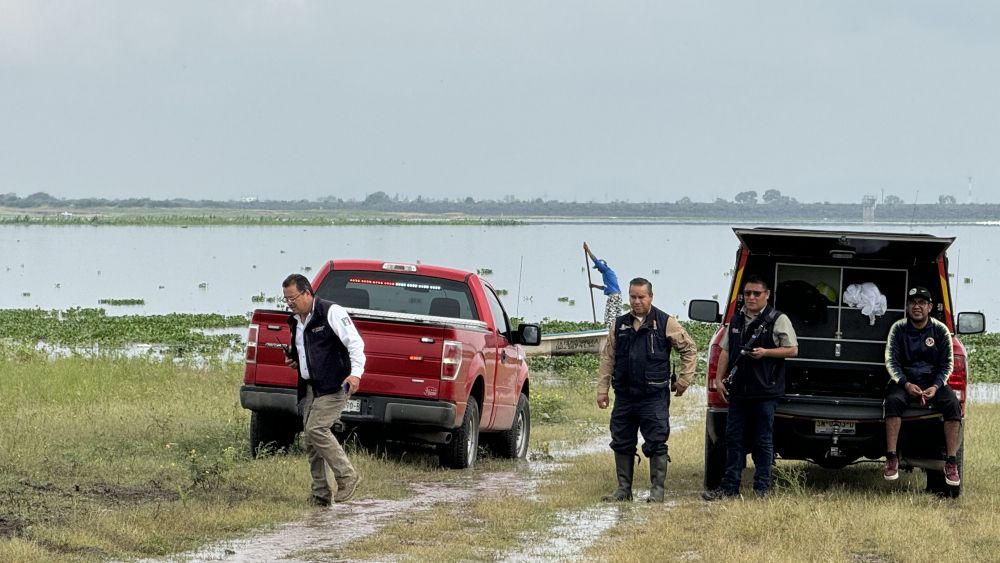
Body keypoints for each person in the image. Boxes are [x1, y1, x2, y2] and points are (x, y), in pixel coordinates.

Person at [596, 278, 698, 503]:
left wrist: (684, 380)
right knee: (621, 440)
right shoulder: (619, 324)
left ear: (651, 297)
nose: (637, 301)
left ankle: (657, 490)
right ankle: (624, 490)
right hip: (624, 396)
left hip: (653, 397)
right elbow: (608, 358)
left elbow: (689, 349)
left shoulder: (665, 322)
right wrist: (602, 389)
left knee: (656, 441)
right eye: (633, 297)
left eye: (641, 297)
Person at [703, 274, 798, 500]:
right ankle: (729, 489)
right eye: (747, 293)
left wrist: (766, 353)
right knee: (733, 439)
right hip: (739, 391)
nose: (751, 297)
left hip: (765, 391)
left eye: (756, 293)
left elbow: (793, 349)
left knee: (762, 440)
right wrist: (718, 379)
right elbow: (725, 350)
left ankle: (762, 489)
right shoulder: (736, 320)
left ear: (767, 295)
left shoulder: (778, 319)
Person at [282, 274, 366, 506]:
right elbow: (307, 351)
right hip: (309, 387)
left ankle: (347, 477)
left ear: (307, 292)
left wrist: (356, 374)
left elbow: (355, 343)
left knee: (317, 429)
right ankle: (320, 493)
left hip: (334, 384)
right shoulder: (295, 321)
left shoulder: (331, 312)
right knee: (310, 440)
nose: (290, 303)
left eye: (293, 298)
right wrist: (295, 361)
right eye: (286, 299)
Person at [882, 286, 961, 487]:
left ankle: (951, 463)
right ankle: (891, 458)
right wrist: (905, 384)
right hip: (905, 381)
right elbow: (891, 362)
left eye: (922, 303)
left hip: (932, 383)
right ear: (908, 306)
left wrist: (936, 386)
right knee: (893, 401)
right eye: (913, 303)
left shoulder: (940, 330)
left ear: (930, 307)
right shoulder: (898, 328)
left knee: (953, 404)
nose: (917, 307)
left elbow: (947, 364)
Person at [584, 242, 622, 331]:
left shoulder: (606, 270)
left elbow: (595, 260)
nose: (598, 270)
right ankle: (616, 332)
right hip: (618, 296)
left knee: (609, 319)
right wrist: (594, 286)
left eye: (598, 268)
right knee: (617, 317)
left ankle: (610, 334)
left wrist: (587, 249)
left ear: (602, 266)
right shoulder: (609, 274)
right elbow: (605, 288)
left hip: (613, 297)